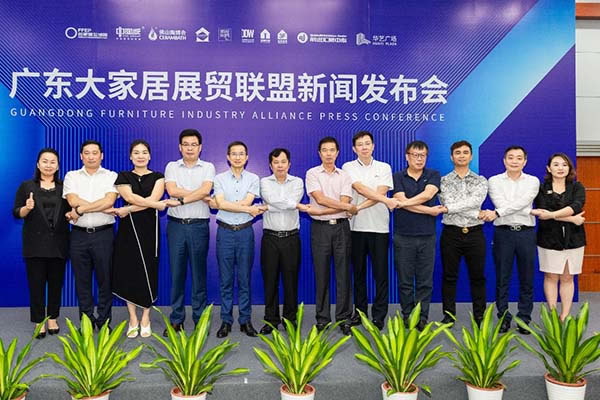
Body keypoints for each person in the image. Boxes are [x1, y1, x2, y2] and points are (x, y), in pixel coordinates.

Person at [109, 140, 179, 338]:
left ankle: (146, 316)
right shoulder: (123, 176)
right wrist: (157, 205)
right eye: (136, 152)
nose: (140, 156)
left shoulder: (158, 177)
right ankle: (133, 318)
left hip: (149, 228)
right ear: (130, 156)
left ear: (149, 156)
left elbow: (152, 199)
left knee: (149, 269)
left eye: (144, 152)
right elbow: (131, 197)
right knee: (129, 271)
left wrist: (129, 209)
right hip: (128, 230)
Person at [342, 131, 396, 330]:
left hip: (379, 228)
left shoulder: (384, 167)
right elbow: (360, 189)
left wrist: (357, 208)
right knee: (358, 274)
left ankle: (379, 316)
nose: (364, 147)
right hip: (355, 228)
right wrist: (386, 201)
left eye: (367, 143)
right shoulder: (348, 167)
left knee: (381, 275)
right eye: (360, 144)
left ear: (373, 146)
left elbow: (380, 193)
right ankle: (360, 313)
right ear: (354, 148)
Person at [13, 148, 70, 338]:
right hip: (35, 243)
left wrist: (73, 215)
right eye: (44, 161)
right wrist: (27, 208)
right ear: (38, 164)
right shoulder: (27, 186)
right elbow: (16, 212)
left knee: (56, 283)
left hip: (59, 243)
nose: (48, 165)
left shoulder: (65, 187)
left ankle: (53, 317)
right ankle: (39, 320)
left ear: (58, 166)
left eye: (53, 162)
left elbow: (71, 211)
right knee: (36, 284)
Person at [163, 129, 215, 336]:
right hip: (176, 226)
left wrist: (185, 198)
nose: (190, 148)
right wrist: (199, 194)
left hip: (198, 226)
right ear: (180, 147)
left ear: (200, 147)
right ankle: (176, 319)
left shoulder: (208, 167)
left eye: (194, 144)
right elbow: (172, 190)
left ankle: (200, 320)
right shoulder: (172, 166)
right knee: (177, 275)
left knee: (198, 275)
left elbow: (206, 190)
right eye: (186, 144)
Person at [64, 140, 118, 329]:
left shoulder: (111, 176)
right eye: (87, 153)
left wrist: (80, 210)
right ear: (81, 156)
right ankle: (86, 322)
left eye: (95, 153)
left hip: (104, 235)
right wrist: (100, 206)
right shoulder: (72, 176)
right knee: (82, 281)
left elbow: (110, 201)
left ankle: (104, 321)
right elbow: (73, 200)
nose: (91, 156)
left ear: (101, 155)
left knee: (105, 280)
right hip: (78, 236)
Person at [212, 141, 265, 338]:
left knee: (244, 279)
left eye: (241, 154)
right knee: (225, 280)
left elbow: (246, 201)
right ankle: (226, 321)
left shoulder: (253, 178)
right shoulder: (219, 178)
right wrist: (246, 209)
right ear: (228, 157)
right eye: (233, 154)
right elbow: (220, 204)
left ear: (247, 157)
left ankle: (245, 321)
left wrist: (229, 205)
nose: (237, 157)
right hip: (225, 232)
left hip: (245, 233)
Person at [306, 136, 357, 336]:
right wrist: (346, 207)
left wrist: (329, 209)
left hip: (342, 228)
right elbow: (320, 199)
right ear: (319, 153)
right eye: (324, 150)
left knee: (344, 274)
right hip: (320, 229)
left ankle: (344, 318)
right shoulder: (312, 173)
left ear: (337, 153)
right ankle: (322, 319)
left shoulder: (344, 175)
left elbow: (343, 199)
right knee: (322, 274)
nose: (328, 154)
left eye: (332, 150)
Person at [485, 145, 539, 334]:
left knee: (527, 278)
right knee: (502, 278)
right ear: (504, 160)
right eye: (511, 157)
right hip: (503, 234)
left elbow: (521, 203)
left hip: (526, 234)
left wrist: (499, 212)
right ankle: (503, 317)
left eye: (519, 158)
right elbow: (501, 203)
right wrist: (526, 210)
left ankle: (524, 318)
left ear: (525, 161)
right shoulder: (494, 181)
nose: (514, 161)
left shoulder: (533, 181)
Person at [392, 140, 442, 330]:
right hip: (403, 236)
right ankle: (408, 315)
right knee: (405, 281)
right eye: (415, 155)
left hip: (427, 236)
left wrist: (402, 204)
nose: (419, 159)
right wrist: (430, 211)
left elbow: (427, 195)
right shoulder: (398, 176)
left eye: (423, 155)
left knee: (424, 281)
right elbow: (401, 198)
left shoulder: (433, 175)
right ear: (407, 156)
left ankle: (422, 317)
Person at [438, 141, 488, 326]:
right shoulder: (443, 181)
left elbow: (474, 202)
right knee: (449, 276)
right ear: (452, 157)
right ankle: (448, 316)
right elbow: (448, 202)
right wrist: (476, 213)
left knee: (478, 277)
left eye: (465, 152)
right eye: (457, 153)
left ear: (471, 156)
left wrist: (450, 208)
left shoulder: (481, 180)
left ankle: (480, 315)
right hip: (451, 234)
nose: (461, 155)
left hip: (475, 234)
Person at [532, 153, 586, 320]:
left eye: (564, 164)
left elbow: (576, 207)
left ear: (569, 168)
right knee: (551, 276)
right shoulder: (542, 188)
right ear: (549, 168)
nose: (560, 168)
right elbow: (542, 211)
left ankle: (565, 315)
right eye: (556, 164)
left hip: (574, 239)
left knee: (568, 277)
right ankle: (553, 315)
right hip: (548, 238)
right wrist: (572, 219)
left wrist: (552, 215)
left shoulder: (577, 187)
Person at [259, 148, 305, 334]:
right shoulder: (264, 182)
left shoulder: (297, 182)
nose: (280, 165)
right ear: (271, 165)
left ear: (289, 164)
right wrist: (294, 205)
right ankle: (270, 320)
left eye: (283, 162)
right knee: (270, 281)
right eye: (276, 162)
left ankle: (289, 319)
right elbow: (274, 199)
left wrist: (269, 207)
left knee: (290, 281)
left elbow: (278, 202)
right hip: (270, 238)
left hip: (291, 238)